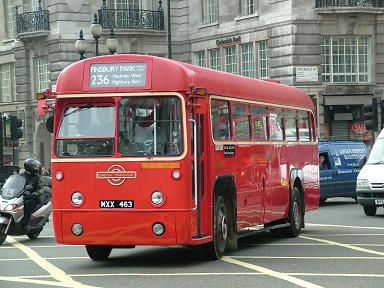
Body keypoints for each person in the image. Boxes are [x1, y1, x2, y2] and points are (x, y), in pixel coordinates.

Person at [20, 158, 44, 230]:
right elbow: (14, 185)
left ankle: (26, 223)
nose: (36, 168)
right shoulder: (20, 176)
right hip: (20, 196)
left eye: (36, 166)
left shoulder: (37, 177)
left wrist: (33, 194)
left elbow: (41, 189)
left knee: (27, 203)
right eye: (34, 166)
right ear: (29, 166)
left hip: (32, 198)